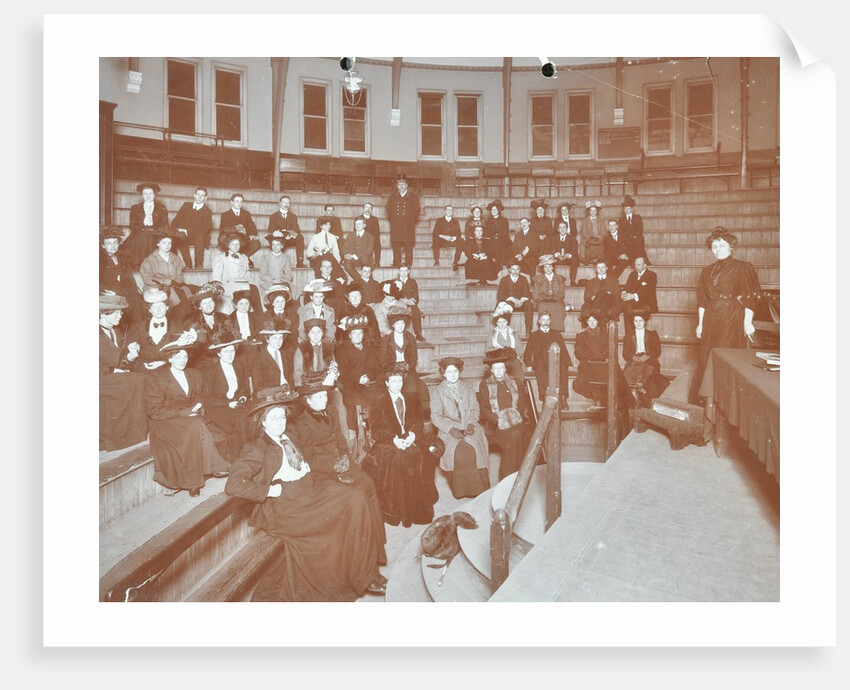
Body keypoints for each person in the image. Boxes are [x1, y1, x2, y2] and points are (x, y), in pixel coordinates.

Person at [224, 386, 386, 601]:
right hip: (287, 503)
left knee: (357, 497)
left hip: (310, 488)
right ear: (262, 423)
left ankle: (365, 573)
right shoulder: (257, 448)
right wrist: (268, 490)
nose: (279, 422)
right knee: (345, 509)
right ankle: (355, 575)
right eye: (273, 419)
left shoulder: (287, 435)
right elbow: (233, 484)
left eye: (281, 417)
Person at [288, 370, 387, 570]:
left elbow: (340, 438)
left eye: (325, 395)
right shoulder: (303, 424)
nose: (324, 400)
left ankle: (378, 547)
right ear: (308, 401)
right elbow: (309, 458)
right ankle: (361, 555)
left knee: (368, 484)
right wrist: (333, 466)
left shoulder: (331, 411)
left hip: (342, 461)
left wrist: (346, 457)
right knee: (357, 495)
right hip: (323, 472)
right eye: (319, 397)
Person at [145, 333, 229, 497]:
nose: (182, 360)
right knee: (194, 426)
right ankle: (196, 479)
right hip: (166, 421)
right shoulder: (157, 378)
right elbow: (154, 411)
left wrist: (199, 408)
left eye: (185, 356)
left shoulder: (194, 374)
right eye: (178, 357)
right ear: (170, 358)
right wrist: (182, 413)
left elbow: (198, 396)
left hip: (191, 417)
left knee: (203, 426)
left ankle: (208, 469)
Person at [693, 227, 764, 398]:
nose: (717, 250)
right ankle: (709, 398)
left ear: (731, 246)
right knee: (708, 359)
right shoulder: (706, 271)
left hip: (731, 318)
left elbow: (750, 298)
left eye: (722, 245)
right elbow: (703, 300)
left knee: (726, 359)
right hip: (710, 319)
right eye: (714, 246)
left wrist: (747, 323)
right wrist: (700, 324)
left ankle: (726, 400)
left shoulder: (743, 267)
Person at [365, 363, 438, 527]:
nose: (397, 384)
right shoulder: (378, 402)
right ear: (387, 383)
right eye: (393, 381)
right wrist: (394, 439)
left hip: (410, 436)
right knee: (399, 460)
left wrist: (412, 434)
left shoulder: (412, 398)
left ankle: (417, 509)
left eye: (399, 381)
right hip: (388, 442)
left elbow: (418, 421)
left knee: (421, 456)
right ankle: (399, 511)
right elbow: (376, 430)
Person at [429, 358, 490, 499]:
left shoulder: (467, 387)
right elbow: (436, 417)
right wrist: (452, 429)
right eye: (449, 372)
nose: (452, 374)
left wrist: (471, 424)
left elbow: (475, 408)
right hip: (449, 430)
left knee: (474, 448)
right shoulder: (438, 391)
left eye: (455, 371)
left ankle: (480, 489)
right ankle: (461, 490)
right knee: (459, 452)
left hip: (470, 426)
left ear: (459, 372)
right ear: (443, 374)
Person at [99, 291, 148, 451]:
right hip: (100, 377)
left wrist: (131, 356)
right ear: (104, 314)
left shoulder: (115, 331)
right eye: (117, 313)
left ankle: (130, 435)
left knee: (139, 379)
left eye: (120, 313)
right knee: (135, 381)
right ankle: (115, 438)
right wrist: (114, 369)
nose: (120, 316)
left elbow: (121, 361)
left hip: (111, 376)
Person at [477, 348, 531, 481]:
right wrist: (498, 420)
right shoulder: (485, 385)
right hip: (497, 425)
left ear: (505, 368)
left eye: (501, 368)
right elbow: (483, 409)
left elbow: (522, 402)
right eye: (496, 369)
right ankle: (507, 478)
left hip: (516, 420)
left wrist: (515, 415)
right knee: (516, 435)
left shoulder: (515, 382)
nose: (499, 371)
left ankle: (527, 473)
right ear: (491, 370)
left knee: (530, 433)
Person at [202, 325, 250, 462]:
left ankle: (247, 457)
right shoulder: (211, 370)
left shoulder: (238, 365)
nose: (230, 355)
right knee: (235, 427)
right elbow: (208, 398)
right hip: (218, 408)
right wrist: (229, 403)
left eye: (232, 351)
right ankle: (236, 461)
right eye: (226, 352)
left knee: (249, 420)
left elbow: (244, 387)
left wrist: (242, 396)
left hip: (236, 405)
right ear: (218, 353)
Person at [335, 314, 382, 432]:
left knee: (380, 395)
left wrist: (368, 377)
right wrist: (358, 379)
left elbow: (374, 365)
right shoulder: (342, 349)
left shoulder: (368, 347)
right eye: (354, 333)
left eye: (360, 333)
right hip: (350, 383)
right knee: (354, 402)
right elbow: (343, 370)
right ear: (349, 335)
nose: (357, 336)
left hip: (368, 382)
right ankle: (356, 432)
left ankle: (377, 429)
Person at [138, 228, 196, 324]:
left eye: (169, 243)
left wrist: (176, 282)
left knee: (186, 299)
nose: (167, 246)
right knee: (178, 302)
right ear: (158, 243)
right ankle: (176, 323)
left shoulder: (176, 258)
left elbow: (180, 276)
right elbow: (147, 278)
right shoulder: (150, 259)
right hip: (155, 288)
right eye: (164, 243)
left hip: (174, 286)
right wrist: (168, 281)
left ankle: (183, 323)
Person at [126, 287, 186, 370]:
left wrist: (164, 363)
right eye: (154, 307)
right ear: (149, 310)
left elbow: (183, 355)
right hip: (143, 370)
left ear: (167, 307)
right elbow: (126, 357)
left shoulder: (177, 327)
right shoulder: (137, 328)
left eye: (161, 306)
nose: (158, 310)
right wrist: (133, 354)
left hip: (168, 370)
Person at [523, 311, 572, 410]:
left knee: (563, 366)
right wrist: (528, 365)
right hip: (541, 360)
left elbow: (563, 349)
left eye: (547, 320)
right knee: (540, 368)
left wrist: (568, 363)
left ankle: (562, 397)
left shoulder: (556, 333)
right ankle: (544, 397)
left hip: (555, 360)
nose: (545, 322)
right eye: (543, 320)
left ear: (550, 321)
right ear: (539, 321)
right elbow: (528, 352)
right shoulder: (534, 335)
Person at [378, 304, 427, 401]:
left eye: (402, 323)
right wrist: (394, 370)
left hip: (408, 370)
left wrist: (407, 369)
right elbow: (383, 360)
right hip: (391, 371)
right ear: (392, 325)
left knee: (412, 391)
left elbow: (413, 358)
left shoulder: (410, 337)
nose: (400, 326)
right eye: (397, 324)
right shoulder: (386, 339)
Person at [622, 308, 669, 408]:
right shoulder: (628, 335)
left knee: (651, 381)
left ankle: (647, 404)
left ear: (644, 322)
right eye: (636, 321)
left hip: (649, 360)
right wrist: (635, 357)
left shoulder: (652, 334)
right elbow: (625, 354)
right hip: (634, 361)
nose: (638, 323)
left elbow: (657, 352)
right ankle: (634, 402)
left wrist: (646, 356)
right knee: (628, 379)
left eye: (640, 321)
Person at [100, 225, 142, 325]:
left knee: (137, 301)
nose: (113, 246)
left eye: (115, 243)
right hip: (107, 293)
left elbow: (128, 280)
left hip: (123, 292)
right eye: (109, 243)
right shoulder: (100, 259)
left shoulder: (122, 258)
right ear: (103, 246)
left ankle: (136, 333)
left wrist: (133, 291)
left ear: (119, 244)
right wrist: (103, 291)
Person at [211, 230, 260, 315]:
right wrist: (218, 289)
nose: (235, 246)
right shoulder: (221, 258)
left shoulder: (244, 257)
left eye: (237, 244)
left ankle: (257, 317)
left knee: (254, 288)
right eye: (233, 244)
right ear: (228, 245)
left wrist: (252, 283)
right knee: (250, 289)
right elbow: (216, 277)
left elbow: (247, 274)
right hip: (229, 284)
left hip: (243, 283)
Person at [126, 182, 170, 268]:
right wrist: (143, 229)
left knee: (151, 237)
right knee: (141, 237)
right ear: (142, 195)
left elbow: (164, 224)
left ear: (154, 195)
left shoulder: (161, 208)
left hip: (156, 232)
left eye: (150, 193)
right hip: (140, 232)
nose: (148, 196)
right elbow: (132, 225)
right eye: (145, 193)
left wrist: (154, 230)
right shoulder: (135, 208)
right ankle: (140, 264)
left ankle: (152, 265)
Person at [263, 282, 298, 383]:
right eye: (277, 302)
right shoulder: (266, 316)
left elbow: (295, 334)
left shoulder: (292, 316)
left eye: (282, 301)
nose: (280, 304)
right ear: (272, 303)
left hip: (289, 350)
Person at [171, 186, 213, 269]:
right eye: (198, 194)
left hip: (198, 237)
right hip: (185, 236)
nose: (199, 197)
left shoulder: (207, 211)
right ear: (194, 195)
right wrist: (178, 230)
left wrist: (186, 231)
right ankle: (188, 263)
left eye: (202, 195)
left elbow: (204, 230)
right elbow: (175, 221)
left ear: (206, 198)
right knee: (181, 236)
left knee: (200, 235)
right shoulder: (186, 206)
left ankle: (199, 263)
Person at [251, 316, 294, 392]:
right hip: (269, 395)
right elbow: (258, 386)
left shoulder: (286, 354)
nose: (278, 341)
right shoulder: (259, 358)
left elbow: (290, 378)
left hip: (287, 393)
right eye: (274, 338)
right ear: (267, 339)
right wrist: (279, 391)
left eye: (280, 338)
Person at [486, 302, 526, 384]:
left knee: (517, 372)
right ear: (496, 323)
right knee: (499, 370)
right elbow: (488, 349)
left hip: (513, 358)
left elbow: (520, 348)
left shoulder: (514, 333)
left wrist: (512, 353)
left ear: (507, 322)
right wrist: (500, 353)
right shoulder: (493, 334)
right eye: (500, 322)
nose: (502, 324)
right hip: (498, 359)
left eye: (504, 321)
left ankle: (518, 389)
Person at [386, 174, 420, 267]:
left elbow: (417, 211)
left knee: (408, 247)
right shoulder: (392, 197)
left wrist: (410, 221)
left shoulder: (413, 197)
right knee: (396, 246)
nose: (401, 186)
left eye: (403, 184)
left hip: (408, 226)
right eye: (399, 184)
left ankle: (408, 265)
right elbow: (388, 209)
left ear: (406, 185)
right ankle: (397, 263)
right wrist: (394, 219)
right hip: (396, 225)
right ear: (397, 186)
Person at [620, 256, 658, 336]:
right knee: (626, 305)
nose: (636, 267)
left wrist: (633, 296)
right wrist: (624, 292)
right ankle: (630, 335)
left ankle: (632, 334)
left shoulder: (652, 275)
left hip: (646, 303)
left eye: (639, 264)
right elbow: (627, 286)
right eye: (635, 264)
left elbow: (648, 291)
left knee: (627, 307)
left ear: (645, 265)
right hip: (632, 302)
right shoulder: (632, 274)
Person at [218, 192, 261, 262]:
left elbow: (252, 227)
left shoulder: (246, 214)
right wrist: (236, 229)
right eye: (237, 201)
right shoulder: (225, 215)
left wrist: (252, 234)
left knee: (257, 243)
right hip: (230, 239)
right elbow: (223, 229)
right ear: (231, 202)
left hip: (243, 239)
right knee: (231, 241)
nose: (239, 204)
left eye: (241, 202)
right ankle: (244, 259)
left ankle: (243, 257)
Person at [265, 194, 305, 266]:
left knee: (300, 237)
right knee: (274, 239)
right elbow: (271, 229)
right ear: (280, 203)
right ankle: (275, 261)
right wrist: (280, 233)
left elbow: (297, 229)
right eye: (284, 202)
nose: (286, 204)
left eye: (288, 203)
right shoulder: (273, 216)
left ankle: (300, 261)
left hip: (290, 238)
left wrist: (290, 234)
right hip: (279, 238)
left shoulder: (293, 216)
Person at [531, 254, 568, 331]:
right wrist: (545, 298)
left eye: (550, 266)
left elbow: (561, 293)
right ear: (543, 268)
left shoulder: (559, 278)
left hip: (557, 301)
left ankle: (556, 331)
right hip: (542, 301)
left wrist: (553, 298)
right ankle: (544, 330)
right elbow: (536, 295)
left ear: (553, 267)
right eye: (545, 267)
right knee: (543, 306)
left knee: (558, 307)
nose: (548, 269)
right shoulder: (538, 279)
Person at [294, 317, 335, 386]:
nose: (315, 335)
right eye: (312, 332)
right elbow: (298, 370)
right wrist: (301, 384)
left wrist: (332, 378)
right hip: (308, 383)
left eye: (318, 332)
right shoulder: (302, 348)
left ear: (322, 333)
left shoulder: (328, 347)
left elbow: (333, 366)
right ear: (308, 334)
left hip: (326, 382)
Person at [496, 261, 535, 334]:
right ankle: (505, 328)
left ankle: (528, 329)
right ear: (509, 269)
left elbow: (527, 293)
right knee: (506, 306)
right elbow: (500, 295)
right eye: (513, 269)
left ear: (520, 269)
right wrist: (512, 299)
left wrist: (521, 301)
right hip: (510, 301)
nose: (515, 271)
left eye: (517, 269)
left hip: (521, 302)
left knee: (529, 305)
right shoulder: (504, 279)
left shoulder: (523, 279)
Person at [581, 259, 622, 327]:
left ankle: (592, 311)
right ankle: (597, 315)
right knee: (600, 296)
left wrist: (608, 293)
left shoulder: (614, 280)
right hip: (596, 304)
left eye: (603, 267)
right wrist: (593, 297)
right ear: (596, 269)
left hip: (609, 304)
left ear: (606, 268)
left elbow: (618, 293)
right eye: (599, 268)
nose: (601, 269)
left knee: (602, 293)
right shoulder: (591, 282)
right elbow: (586, 297)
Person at [543, 219, 580, 286]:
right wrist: (555, 254)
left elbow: (574, 250)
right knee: (550, 260)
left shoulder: (572, 238)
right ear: (558, 229)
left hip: (567, 259)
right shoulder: (553, 238)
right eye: (560, 228)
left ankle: (572, 280)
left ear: (567, 229)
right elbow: (551, 248)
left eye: (564, 227)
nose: (562, 229)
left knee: (574, 259)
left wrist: (569, 255)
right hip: (557, 259)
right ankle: (552, 280)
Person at [394, 264, 425, 342]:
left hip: (410, 304)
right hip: (399, 303)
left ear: (408, 271)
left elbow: (416, 297)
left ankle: (418, 332)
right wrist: (404, 300)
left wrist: (412, 301)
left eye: (405, 271)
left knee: (416, 310)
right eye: (401, 271)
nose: (403, 273)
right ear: (398, 271)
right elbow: (394, 296)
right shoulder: (395, 281)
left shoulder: (412, 282)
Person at [618, 195, 649, 264]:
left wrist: (634, 236)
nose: (627, 210)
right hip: (626, 239)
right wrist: (628, 237)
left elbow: (640, 229)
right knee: (627, 242)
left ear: (632, 209)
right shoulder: (621, 220)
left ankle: (641, 261)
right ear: (624, 210)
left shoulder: (637, 217)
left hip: (636, 237)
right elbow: (621, 232)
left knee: (638, 240)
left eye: (628, 208)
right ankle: (631, 261)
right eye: (625, 209)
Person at [431, 203, 462, 269]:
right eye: (448, 210)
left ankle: (455, 261)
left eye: (451, 210)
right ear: (444, 211)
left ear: (453, 211)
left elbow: (458, 233)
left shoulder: (455, 221)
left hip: (451, 241)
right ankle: (436, 261)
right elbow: (435, 232)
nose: (449, 211)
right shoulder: (439, 220)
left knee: (461, 240)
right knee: (436, 239)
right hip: (442, 241)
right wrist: (444, 236)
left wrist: (452, 238)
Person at [355, 202, 382, 266]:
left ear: (372, 209)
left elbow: (377, 231)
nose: (368, 209)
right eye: (366, 207)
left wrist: (371, 238)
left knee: (377, 243)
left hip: (372, 238)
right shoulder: (358, 218)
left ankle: (377, 262)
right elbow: (356, 230)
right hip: (362, 238)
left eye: (370, 208)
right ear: (363, 209)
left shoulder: (375, 219)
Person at [485, 199, 511, 266]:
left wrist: (499, 236)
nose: (493, 211)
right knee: (492, 243)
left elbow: (505, 231)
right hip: (492, 239)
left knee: (501, 243)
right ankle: (494, 260)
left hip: (502, 239)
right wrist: (493, 237)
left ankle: (501, 261)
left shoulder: (504, 220)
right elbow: (487, 232)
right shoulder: (488, 221)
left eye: (495, 209)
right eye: (492, 210)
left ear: (498, 210)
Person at [580, 199, 605, 265]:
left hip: (598, 239)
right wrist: (591, 238)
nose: (593, 212)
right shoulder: (585, 221)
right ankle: (589, 259)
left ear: (597, 211)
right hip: (589, 239)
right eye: (591, 210)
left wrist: (598, 237)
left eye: (594, 210)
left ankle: (598, 259)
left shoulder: (601, 220)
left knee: (601, 244)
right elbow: (584, 232)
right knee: (587, 245)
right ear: (589, 212)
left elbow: (603, 231)